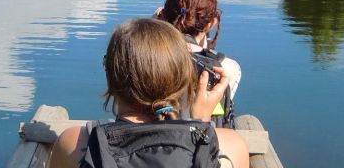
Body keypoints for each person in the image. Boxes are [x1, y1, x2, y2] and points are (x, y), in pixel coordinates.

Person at [50, 18, 249, 168]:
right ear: (184, 80)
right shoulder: (231, 145)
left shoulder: (75, 143)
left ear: (110, 77)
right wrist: (201, 126)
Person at [156, 0, 241, 126]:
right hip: (202, 136)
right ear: (211, 24)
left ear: (163, 16)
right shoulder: (226, 67)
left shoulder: (143, 55)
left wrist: (157, 24)